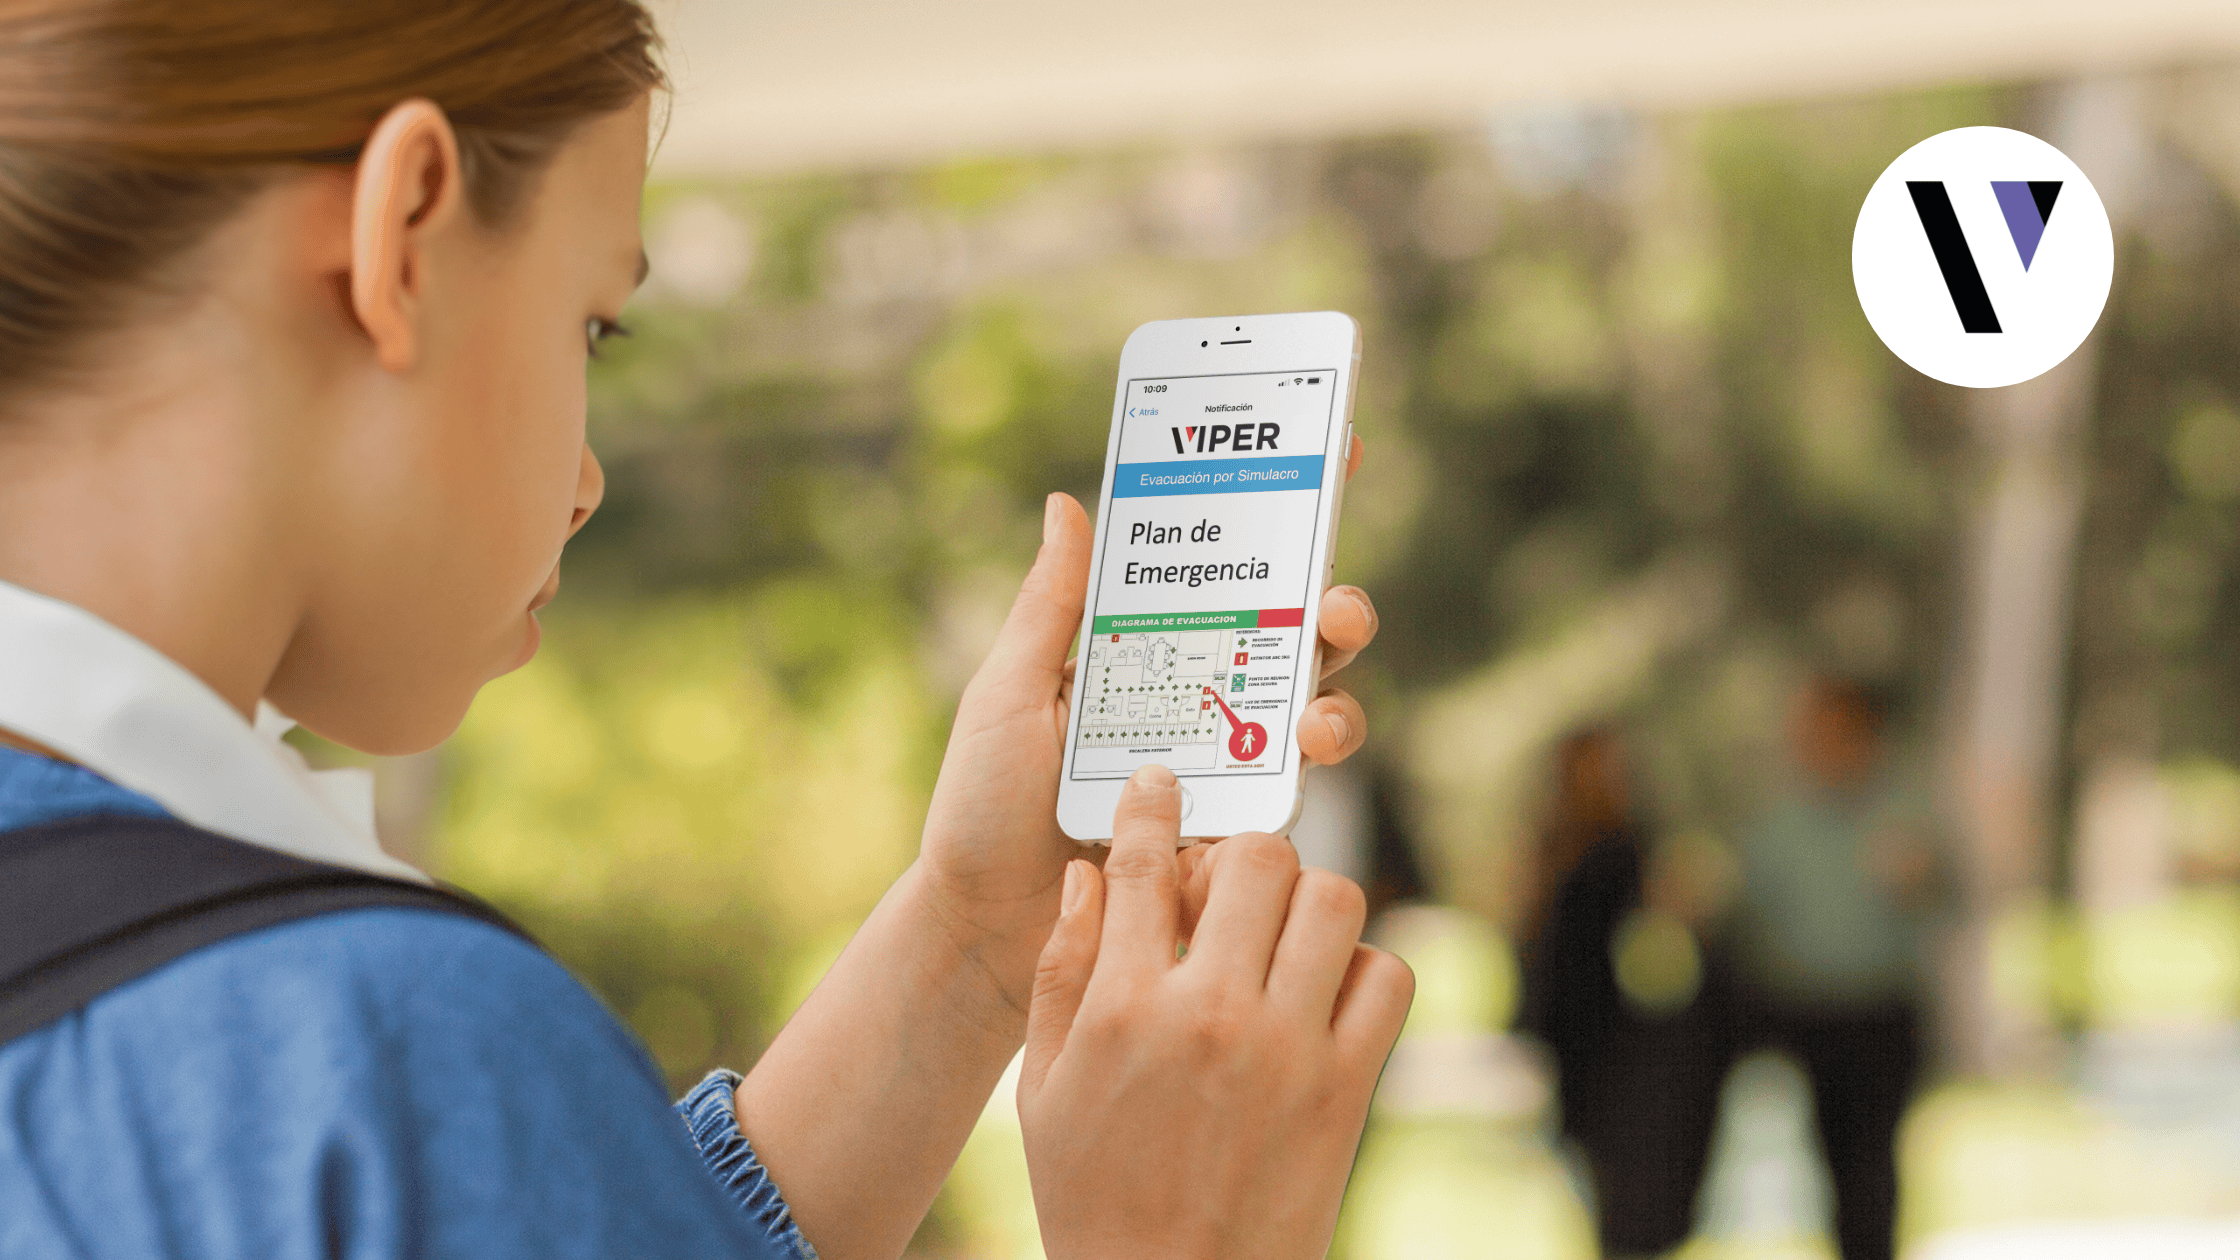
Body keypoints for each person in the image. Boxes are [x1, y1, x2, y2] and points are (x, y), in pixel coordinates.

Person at [0, 4, 1414, 1258]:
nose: (589, 477)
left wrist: (980, 935)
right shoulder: (378, 1062)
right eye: (591, 323)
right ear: (405, 232)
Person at [1724, 674, 1939, 1260]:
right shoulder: (1780, 817)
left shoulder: (1907, 805)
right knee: (1821, 1157)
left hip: (1878, 1009)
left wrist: (1922, 880)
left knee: (1870, 1166)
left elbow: (1953, 893)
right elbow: (1744, 907)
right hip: (1802, 1009)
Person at [1517, 727, 1729, 1259]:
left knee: (1638, 1200)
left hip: (1640, 1055)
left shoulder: (1636, 848)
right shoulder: (1570, 851)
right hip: (1592, 1049)